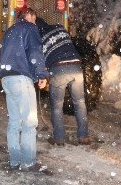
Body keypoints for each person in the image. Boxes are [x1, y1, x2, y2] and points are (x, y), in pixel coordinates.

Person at [0, 7, 48, 172]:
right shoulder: (29, 28)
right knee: (29, 122)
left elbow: (2, 56)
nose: (35, 22)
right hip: (20, 79)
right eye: (35, 18)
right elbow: (35, 52)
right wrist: (41, 74)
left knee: (14, 122)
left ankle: (14, 161)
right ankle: (28, 162)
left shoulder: (9, 31)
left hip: (7, 79)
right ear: (30, 16)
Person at [35, 17, 90, 146]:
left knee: (57, 106)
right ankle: (84, 136)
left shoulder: (39, 39)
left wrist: (42, 75)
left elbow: (41, 60)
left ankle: (59, 138)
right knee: (80, 103)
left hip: (59, 68)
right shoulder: (59, 28)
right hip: (76, 65)